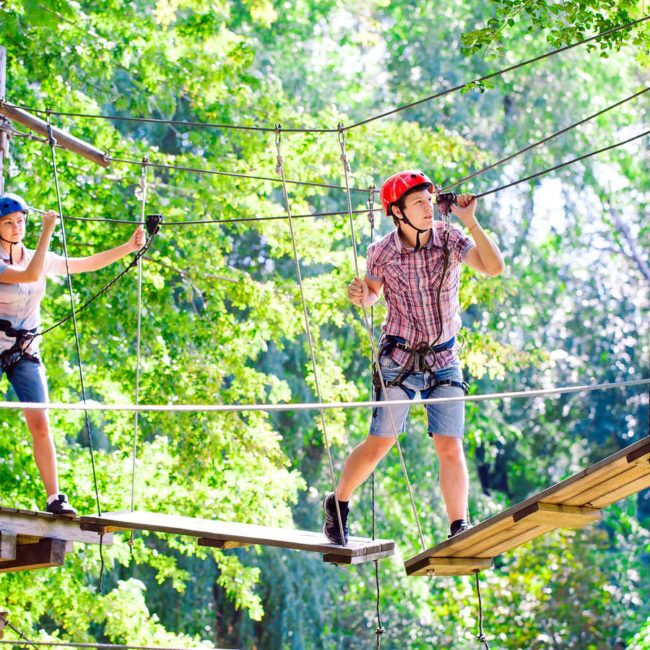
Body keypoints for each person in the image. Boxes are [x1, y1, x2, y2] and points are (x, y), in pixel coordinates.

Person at [323, 170, 505, 545]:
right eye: (418, 203)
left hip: (443, 358)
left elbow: (493, 267)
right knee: (381, 442)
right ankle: (338, 502)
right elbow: (373, 294)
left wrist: (471, 221)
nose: (427, 208)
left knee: (449, 443)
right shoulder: (382, 251)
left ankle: (459, 526)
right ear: (397, 213)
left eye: (429, 200)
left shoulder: (450, 238)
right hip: (399, 360)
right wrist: (361, 295)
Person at [0, 192, 145, 517]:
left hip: (24, 349)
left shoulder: (37, 256)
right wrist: (47, 231)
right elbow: (28, 276)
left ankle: (54, 497)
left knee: (40, 422)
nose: (15, 228)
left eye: (20, 222)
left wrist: (128, 247)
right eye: (8, 223)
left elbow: (85, 264)